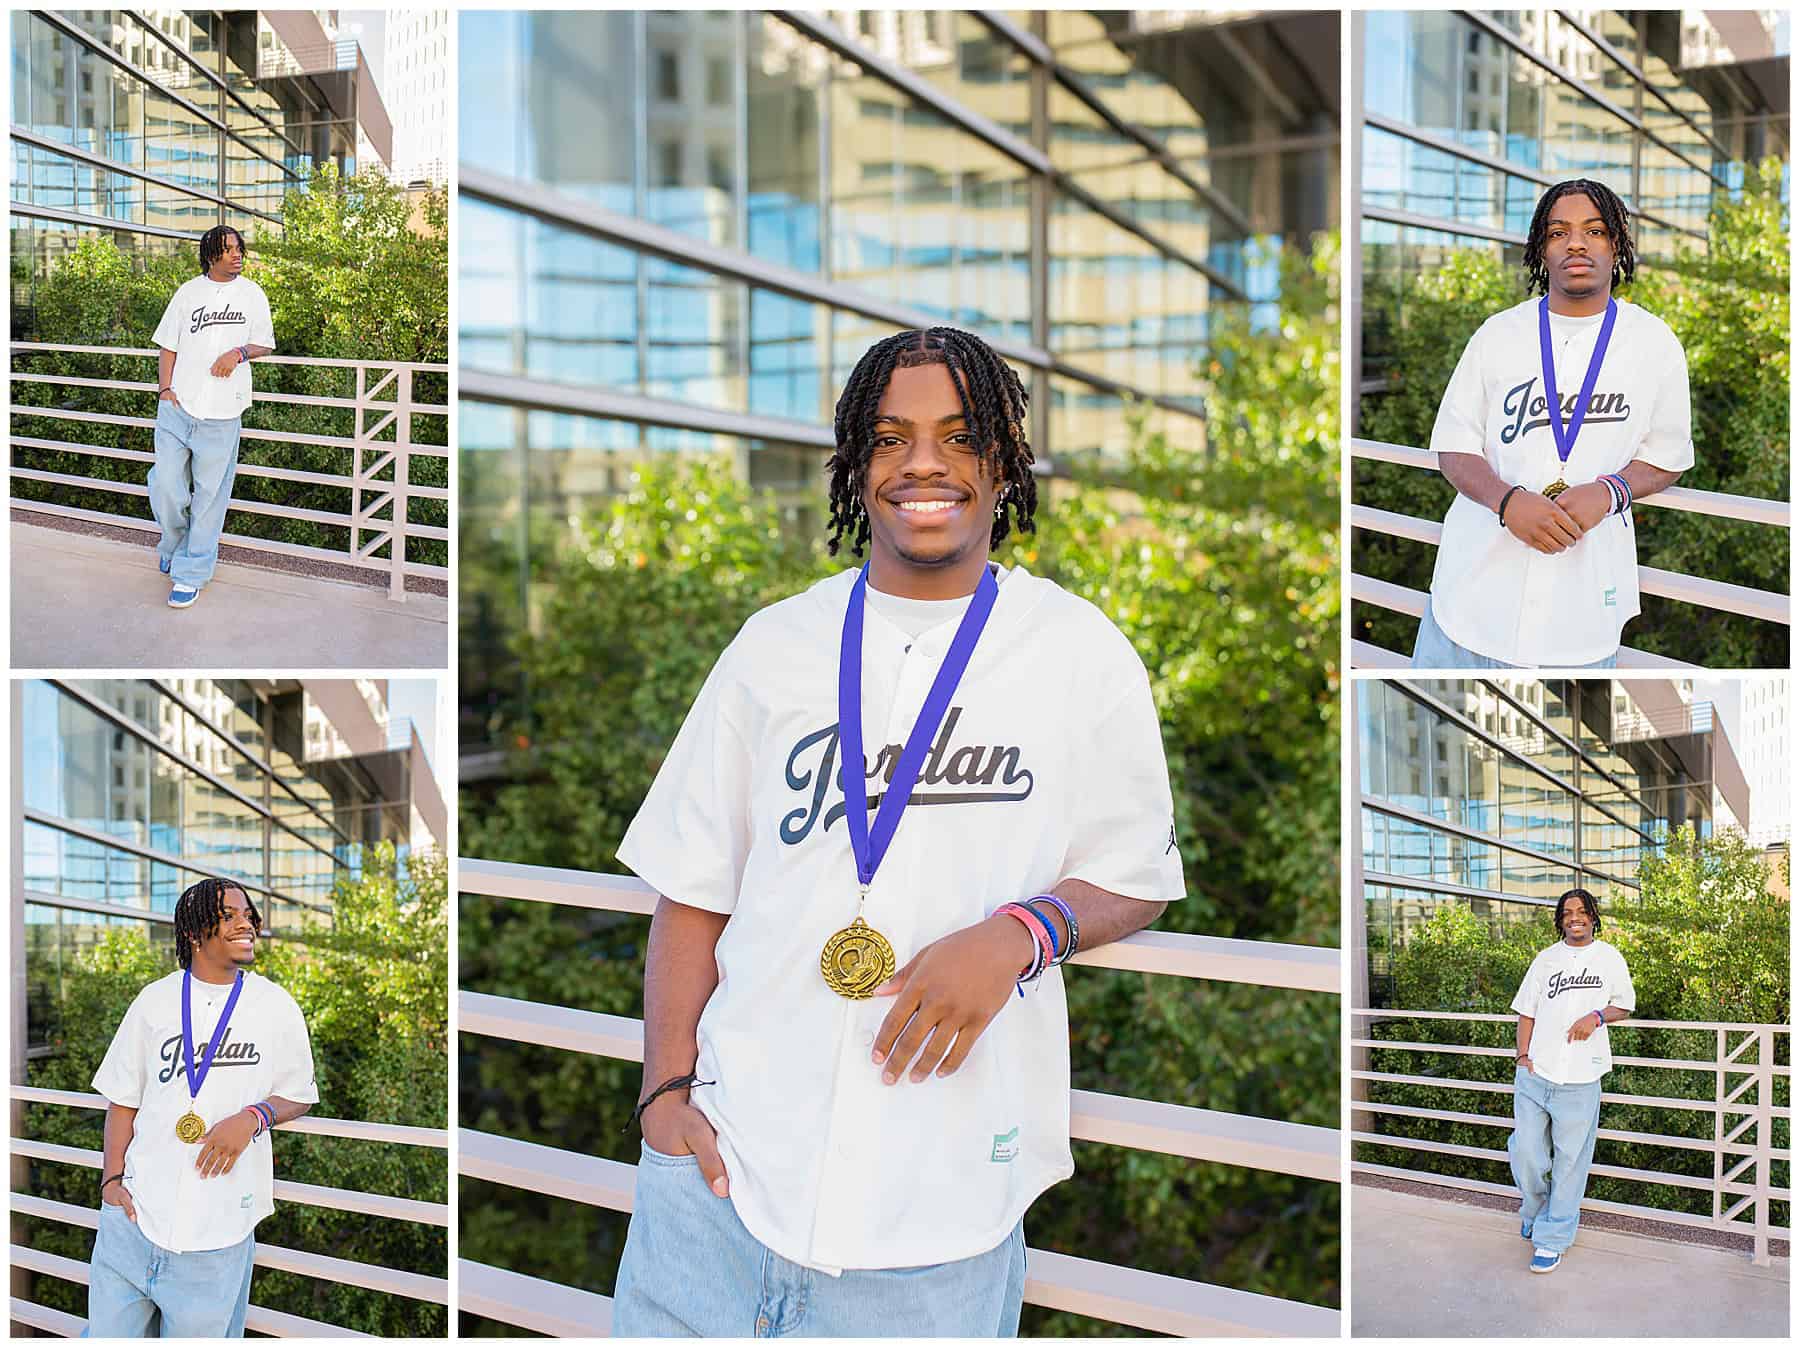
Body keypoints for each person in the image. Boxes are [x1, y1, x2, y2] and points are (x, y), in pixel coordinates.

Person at [611, 326, 1185, 1336]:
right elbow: (694, 889)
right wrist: (662, 1094)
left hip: (939, 1226)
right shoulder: (773, 648)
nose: (924, 462)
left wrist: (1021, 931)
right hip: (716, 1192)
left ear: (1004, 463)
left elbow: (1138, 872)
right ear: (855, 465)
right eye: (890, 438)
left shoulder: (1079, 652)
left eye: (960, 437)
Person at [1412, 178, 1693, 668]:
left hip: (1579, 624)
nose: (1577, 243)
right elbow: (1454, 446)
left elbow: (1668, 457)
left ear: (1617, 243)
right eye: (1559, 232)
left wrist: (1610, 492)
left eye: (1595, 230)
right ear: (1542, 249)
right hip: (1466, 607)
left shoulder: (1655, 343)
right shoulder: (1498, 334)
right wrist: (1507, 502)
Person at [87, 878, 318, 1337]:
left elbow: (300, 1093)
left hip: (218, 1237)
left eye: (248, 915)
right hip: (132, 1225)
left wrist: (255, 1117)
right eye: (229, 915)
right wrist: (111, 1181)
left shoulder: (276, 1006)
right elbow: (123, 1101)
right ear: (194, 932)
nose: (245, 923)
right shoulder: (153, 1001)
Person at [1508, 887, 1635, 1274]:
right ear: (1560, 919)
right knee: (1526, 1152)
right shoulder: (1545, 960)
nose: (1574, 917)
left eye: (1581, 911)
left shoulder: (1609, 957)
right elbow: (1526, 1012)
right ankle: (1534, 1208)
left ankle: (1552, 1238)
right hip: (1536, 1074)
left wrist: (1596, 1017)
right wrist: (1522, 1057)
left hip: (1581, 1077)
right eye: (1567, 912)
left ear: (1593, 916)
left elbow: (1624, 1004)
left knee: (1570, 1163)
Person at [149, 224, 276, 609]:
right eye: (228, 250)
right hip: (178, 407)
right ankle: (174, 542)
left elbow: (264, 344)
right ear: (211, 255)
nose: (237, 255)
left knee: (209, 498)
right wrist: (165, 391)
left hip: (223, 413)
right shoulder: (188, 293)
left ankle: (191, 573)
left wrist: (237, 353)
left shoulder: (252, 294)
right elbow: (168, 345)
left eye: (240, 249)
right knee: (166, 485)